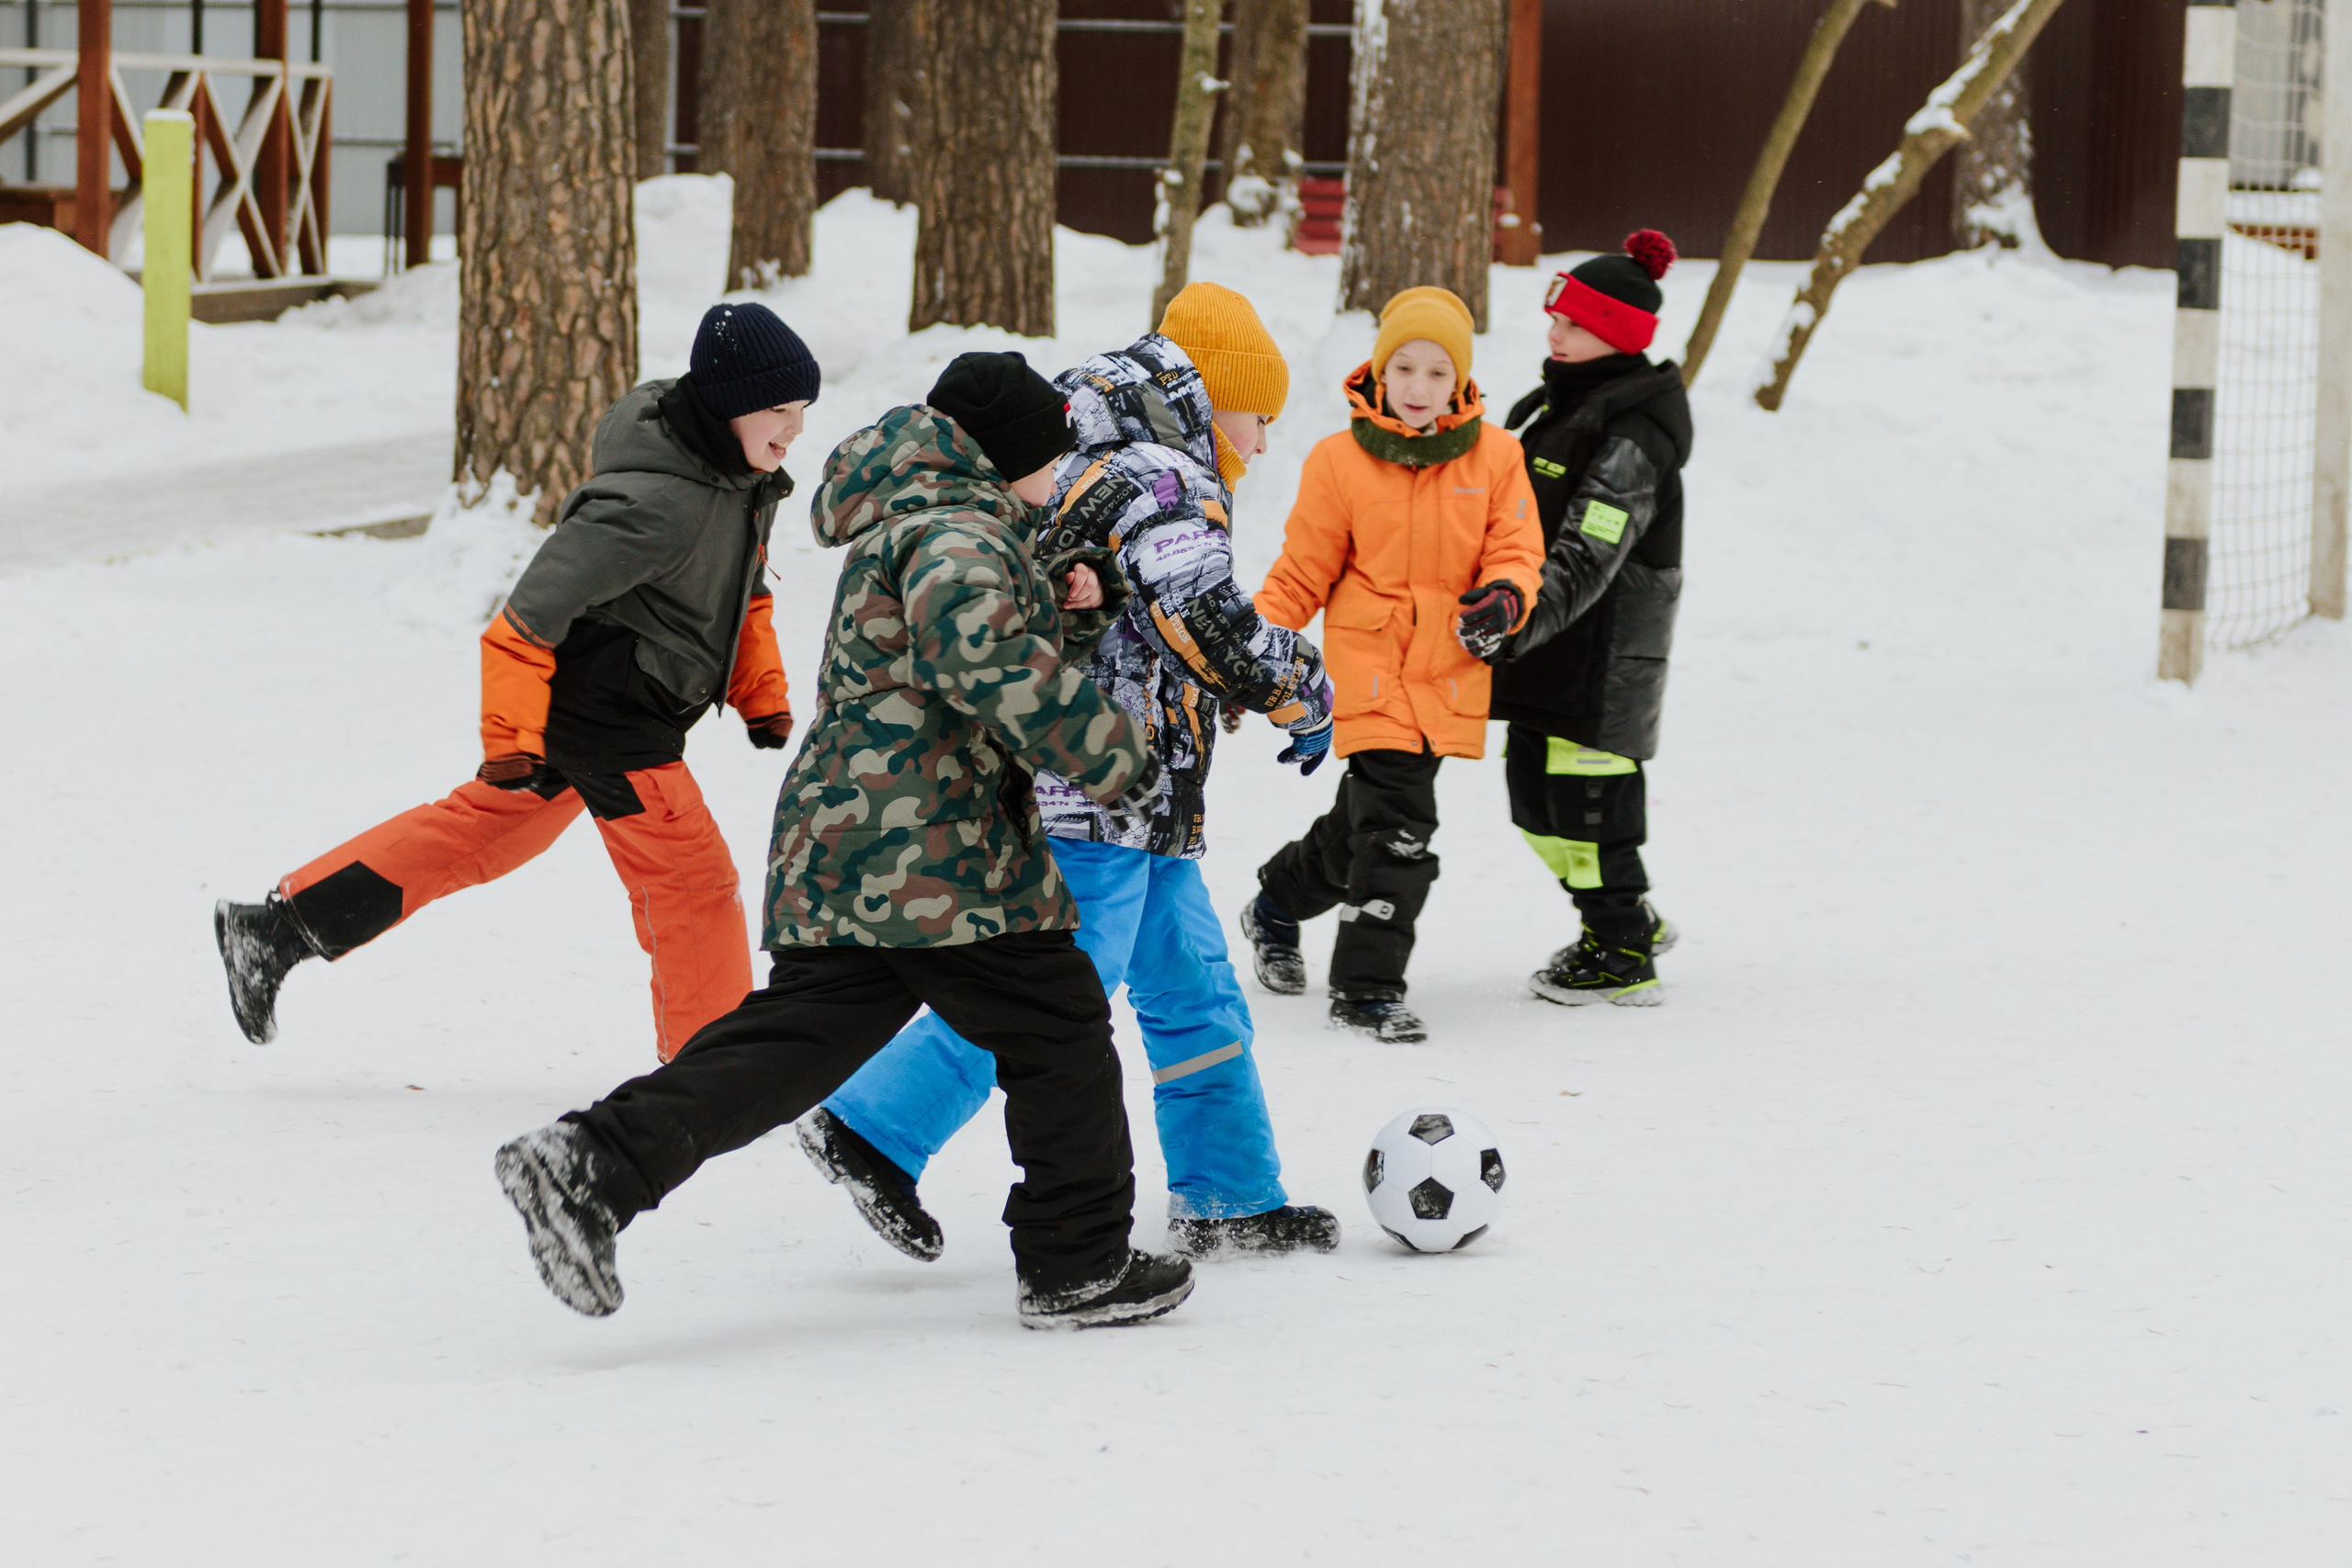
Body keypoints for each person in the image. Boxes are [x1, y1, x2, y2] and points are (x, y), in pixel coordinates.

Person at [494, 352, 1193, 1331]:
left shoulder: (929, 519)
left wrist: (1069, 613)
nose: (1058, 479)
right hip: (934, 850)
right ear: (1007, 455)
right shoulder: (957, 532)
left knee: (790, 1048)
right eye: (1049, 459)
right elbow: (983, 663)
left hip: (860, 841)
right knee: (1056, 1025)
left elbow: (960, 655)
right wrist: (1116, 753)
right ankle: (1076, 1261)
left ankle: (593, 1164)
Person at [799, 282, 1343, 1262]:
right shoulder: (1167, 477)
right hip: (1099, 794)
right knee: (1051, 995)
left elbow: (1139, 619)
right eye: (1259, 419)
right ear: (1217, 399)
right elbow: (1206, 621)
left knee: (1195, 992)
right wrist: (1301, 688)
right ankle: (873, 1125)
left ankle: (1229, 1193)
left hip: (1139, 799)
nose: (1260, 445)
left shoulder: (1085, 455)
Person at [211, 303, 812, 1061]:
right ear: (726, 405)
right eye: (777, 409)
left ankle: (274, 932)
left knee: (477, 837)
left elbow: (743, 592)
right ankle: (714, 1073)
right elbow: (524, 623)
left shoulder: (738, 482)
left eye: (801, 410)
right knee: (693, 881)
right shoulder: (649, 503)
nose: (793, 428)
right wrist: (509, 744)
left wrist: (763, 694)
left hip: (619, 708)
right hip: (612, 720)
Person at [1240, 287, 1544, 1043]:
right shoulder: (1339, 461)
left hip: (1448, 670)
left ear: (1461, 381)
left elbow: (1517, 550)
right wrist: (1243, 654)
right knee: (1402, 827)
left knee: (1364, 823)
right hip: (1369, 667)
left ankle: (1277, 901)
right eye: (1403, 366)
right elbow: (1301, 573)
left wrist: (1506, 598)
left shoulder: (1497, 457)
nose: (1417, 387)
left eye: (1436, 373)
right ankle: (1367, 986)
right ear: (1378, 369)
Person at [1493, 231, 1693, 1006]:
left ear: (1616, 335)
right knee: (1532, 802)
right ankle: (1627, 915)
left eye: (1572, 326)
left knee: (1589, 810)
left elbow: (1586, 551)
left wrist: (1512, 619)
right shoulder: (1564, 402)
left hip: (1600, 664)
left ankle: (1620, 952)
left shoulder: (1634, 433)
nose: (1554, 336)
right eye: (1555, 321)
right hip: (1550, 651)